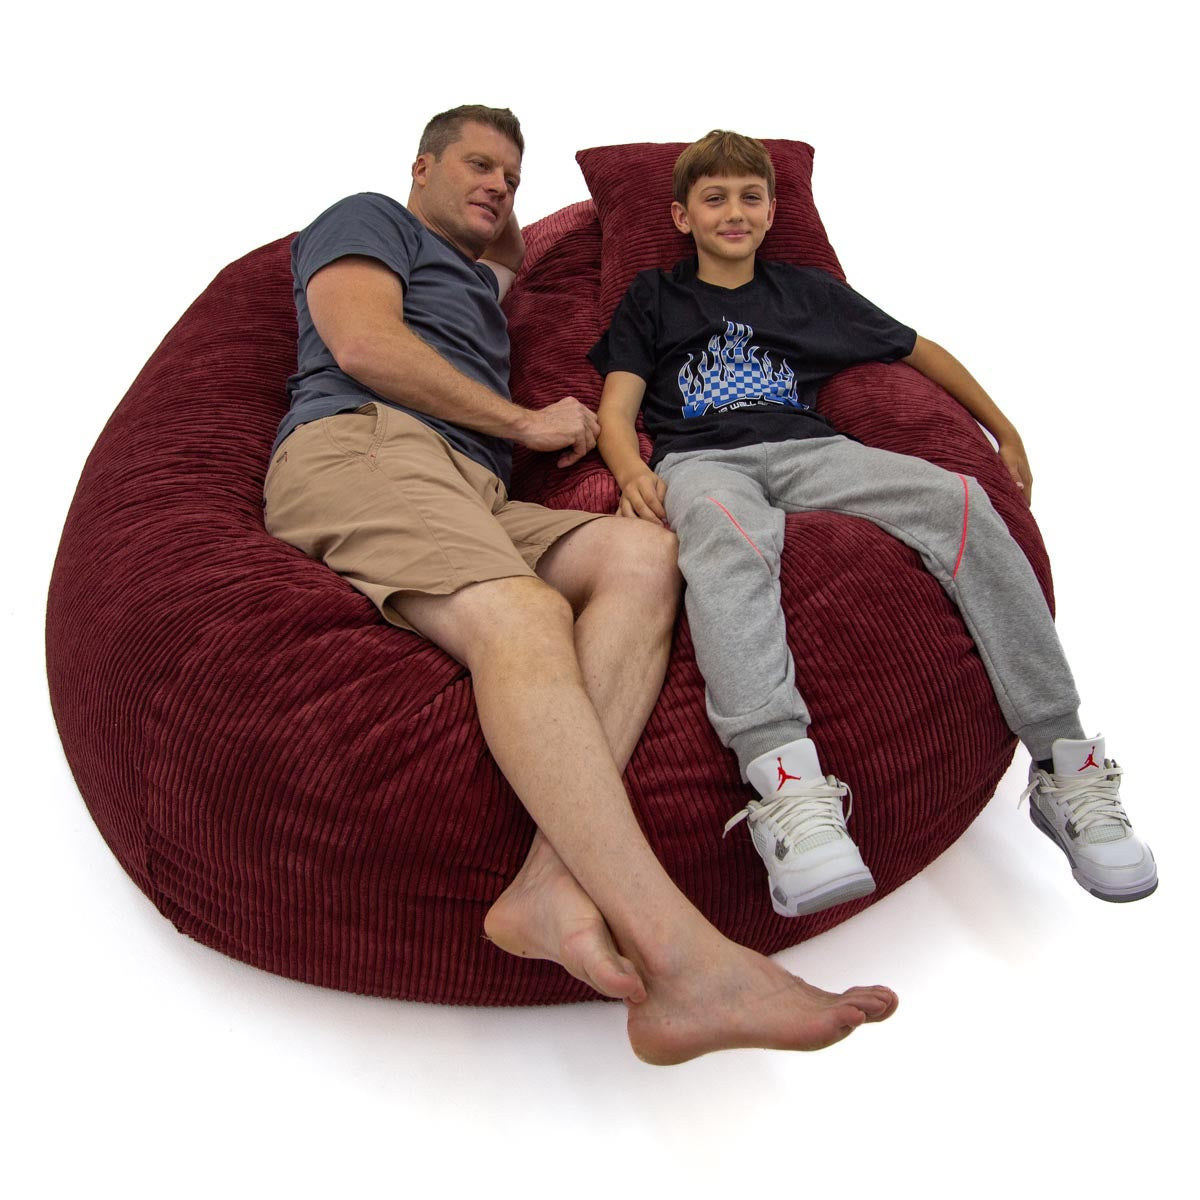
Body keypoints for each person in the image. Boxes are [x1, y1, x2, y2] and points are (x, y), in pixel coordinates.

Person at [263, 106, 899, 1065]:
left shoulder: (478, 274)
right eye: (477, 166)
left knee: (644, 554)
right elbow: (363, 347)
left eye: (512, 177)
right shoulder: (367, 218)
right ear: (418, 167)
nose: (499, 187)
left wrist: (505, 208)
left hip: (464, 491)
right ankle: (685, 962)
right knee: (520, 614)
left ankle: (551, 883)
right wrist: (520, 425)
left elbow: (520, 247)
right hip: (363, 446)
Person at [591, 129, 1157, 920]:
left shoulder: (806, 292)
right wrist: (629, 471)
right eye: (713, 197)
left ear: (772, 210)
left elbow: (920, 351)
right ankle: (786, 785)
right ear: (681, 215)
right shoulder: (653, 297)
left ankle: (1064, 761)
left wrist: (1003, 427)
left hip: (810, 447)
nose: (734, 210)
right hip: (702, 462)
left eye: (750, 196)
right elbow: (615, 408)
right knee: (724, 537)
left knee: (962, 500)